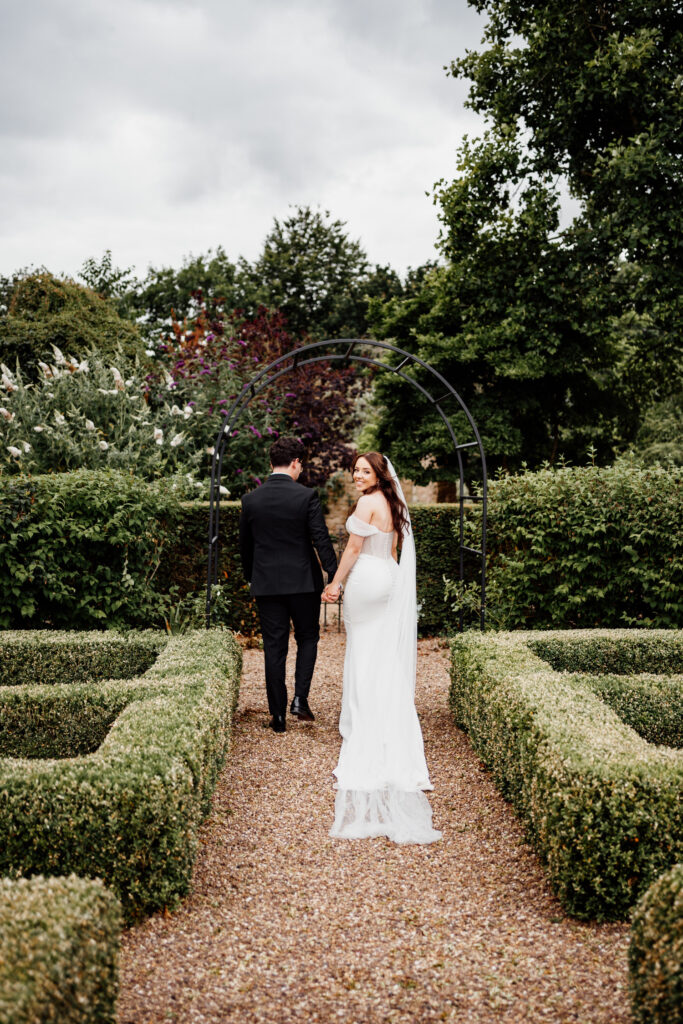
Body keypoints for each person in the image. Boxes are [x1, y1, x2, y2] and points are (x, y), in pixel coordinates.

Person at [322, 451, 441, 844]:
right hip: (388, 579)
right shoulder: (393, 503)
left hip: (367, 580)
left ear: (378, 474)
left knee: (362, 652)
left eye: (364, 470)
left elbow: (354, 550)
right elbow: (392, 553)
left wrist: (336, 583)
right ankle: (389, 719)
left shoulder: (367, 502)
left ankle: (361, 723)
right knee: (382, 655)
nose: (357, 475)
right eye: (355, 470)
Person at [239, 437, 338, 733]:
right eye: (301, 465)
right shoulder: (306, 497)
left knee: (274, 647)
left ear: (271, 464)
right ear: (295, 462)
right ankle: (299, 700)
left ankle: (277, 716)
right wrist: (334, 574)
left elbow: (245, 547)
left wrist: (251, 577)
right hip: (303, 583)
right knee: (307, 638)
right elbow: (320, 538)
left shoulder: (250, 500)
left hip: (267, 584)